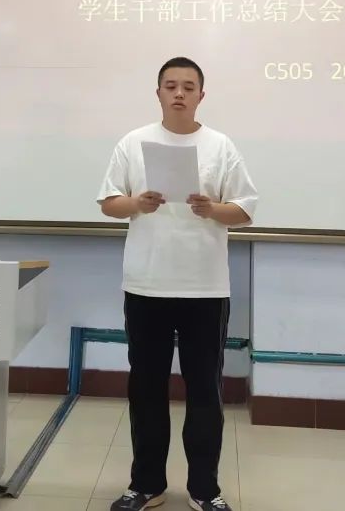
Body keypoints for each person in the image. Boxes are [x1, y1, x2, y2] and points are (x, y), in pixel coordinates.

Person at [97, 57, 258, 511]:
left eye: (188, 86)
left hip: (204, 288)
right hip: (146, 285)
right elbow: (109, 203)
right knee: (146, 388)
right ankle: (147, 484)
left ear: (201, 95)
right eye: (171, 86)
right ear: (159, 93)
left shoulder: (220, 146)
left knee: (204, 390)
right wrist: (138, 204)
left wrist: (212, 209)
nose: (179, 93)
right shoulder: (134, 142)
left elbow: (245, 209)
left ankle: (205, 490)